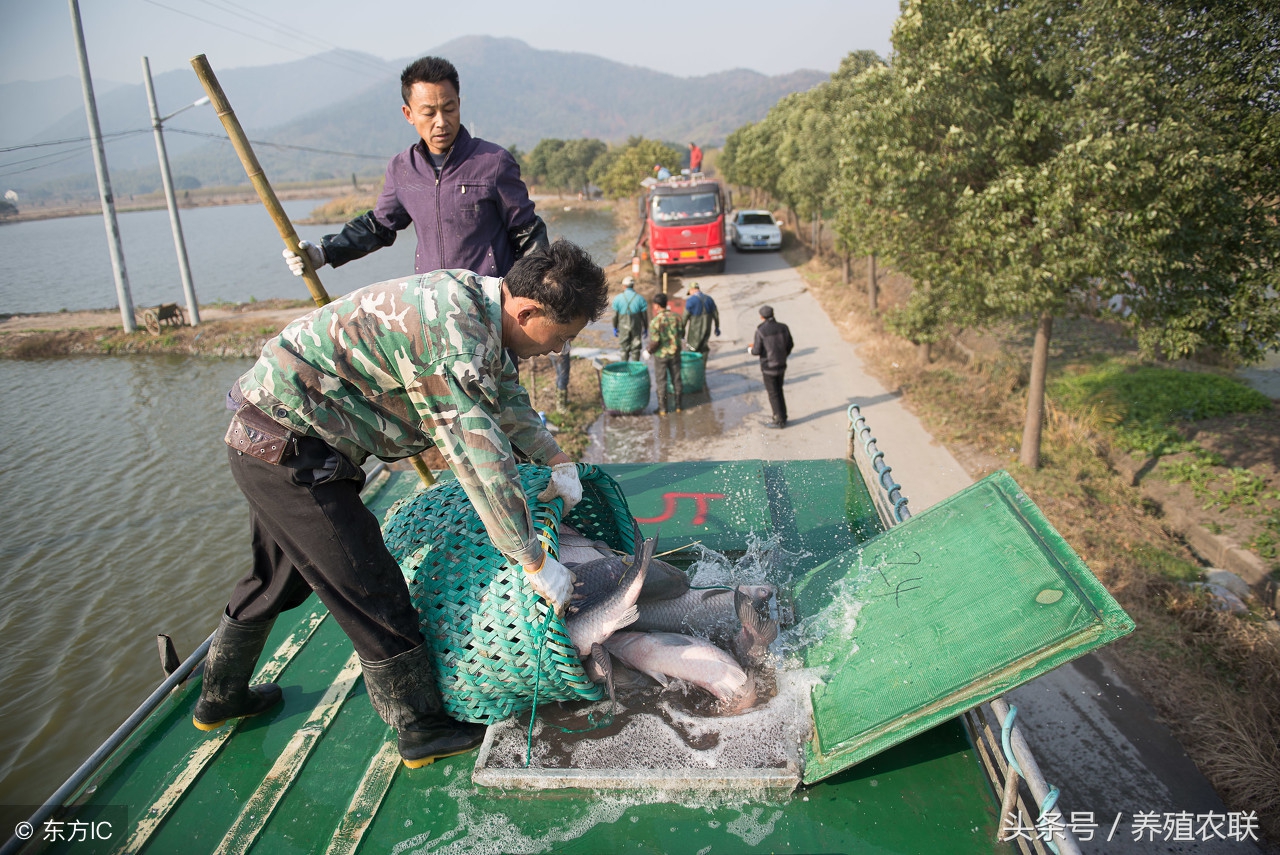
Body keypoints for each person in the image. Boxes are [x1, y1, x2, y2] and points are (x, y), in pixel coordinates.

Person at [198, 240, 609, 769]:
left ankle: (219, 696)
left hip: (277, 437)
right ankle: (422, 729)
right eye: (563, 337)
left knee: (278, 576)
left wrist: (555, 459)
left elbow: (505, 396)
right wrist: (531, 559)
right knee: (373, 584)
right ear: (528, 310)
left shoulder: (473, 300)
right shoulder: (453, 342)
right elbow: (480, 464)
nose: (558, 350)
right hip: (290, 449)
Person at [283, 56, 548, 279]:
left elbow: (528, 234)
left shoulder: (493, 161)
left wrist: (535, 302)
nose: (441, 121)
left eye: (449, 108)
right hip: (431, 308)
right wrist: (324, 253)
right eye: (429, 113)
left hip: (490, 307)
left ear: (459, 103)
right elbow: (378, 227)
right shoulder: (402, 169)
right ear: (408, 114)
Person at [746, 304, 794, 429]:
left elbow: (756, 350)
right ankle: (783, 415)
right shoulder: (783, 327)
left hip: (768, 367)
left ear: (761, 317)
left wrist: (749, 349)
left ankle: (778, 420)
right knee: (779, 390)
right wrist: (783, 356)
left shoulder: (761, 331)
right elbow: (790, 345)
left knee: (773, 393)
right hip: (781, 364)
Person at [647, 292, 685, 414]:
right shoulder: (677, 317)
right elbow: (682, 334)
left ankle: (663, 409)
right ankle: (679, 406)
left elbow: (655, 341)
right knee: (676, 379)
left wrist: (648, 351)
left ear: (657, 306)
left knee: (661, 381)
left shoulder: (656, 321)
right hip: (675, 353)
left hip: (661, 356)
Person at [611, 276, 649, 361]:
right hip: (636, 326)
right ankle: (635, 368)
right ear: (633, 286)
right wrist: (646, 328)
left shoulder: (618, 298)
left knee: (624, 349)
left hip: (623, 326)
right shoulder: (640, 298)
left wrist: (615, 327)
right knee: (636, 348)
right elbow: (644, 316)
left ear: (624, 286)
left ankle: (625, 369)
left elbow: (615, 316)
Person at [682, 283, 719, 357]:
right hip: (707, 328)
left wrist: (682, 331)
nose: (691, 294)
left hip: (695, 329)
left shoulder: (690, 301)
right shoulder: (709, 299)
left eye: (690, 293)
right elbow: (716, 314)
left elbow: (684, 318)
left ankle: (695, 367)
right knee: (704, 347)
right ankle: (702, 366)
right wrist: (717, 327)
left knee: (692, 348)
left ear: (692, 290)